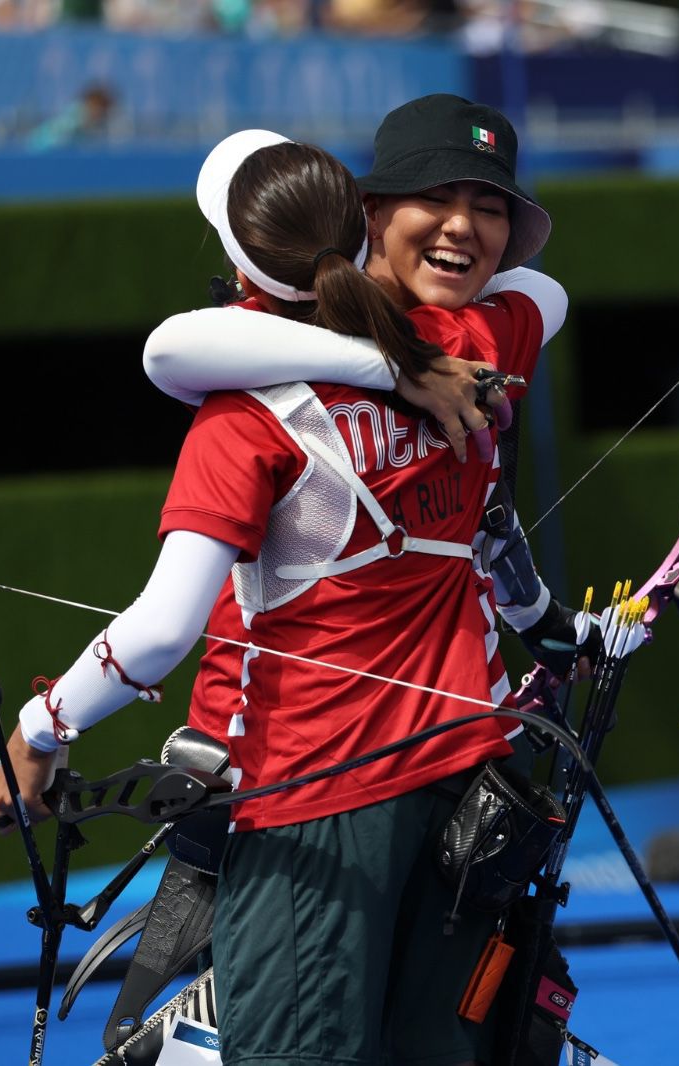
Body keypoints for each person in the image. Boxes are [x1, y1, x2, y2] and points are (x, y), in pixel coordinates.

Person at [0, 128, 543, 1066]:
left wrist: (41, 728)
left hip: (315, 803)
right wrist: (396, 357)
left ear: (238, 259)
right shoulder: (472, 348)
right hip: (469, 788)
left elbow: (160, 632)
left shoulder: (243, 413)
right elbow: (542, 293)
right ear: (362, 230)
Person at [141, 93, 590, 749]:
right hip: (265, 744)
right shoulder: (465, 343)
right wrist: (398, 367)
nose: (462, 226)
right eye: (435, 198)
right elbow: (170, 348)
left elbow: (482, 512)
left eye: (488, 209)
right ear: (370, 216)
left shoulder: (459, 338)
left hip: (388, 754)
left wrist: (541, 621)